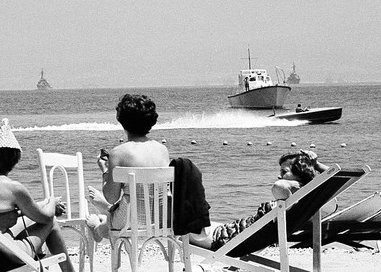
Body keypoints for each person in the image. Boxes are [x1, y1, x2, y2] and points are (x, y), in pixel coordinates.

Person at [0, 119, 83, 272]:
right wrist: (52, 202)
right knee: (50, 223)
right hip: (5, 257)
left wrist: (41, 206)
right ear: (15, 159)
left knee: (36, 219)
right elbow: (45, 217)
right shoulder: (13, 188)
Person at [186, 149, 325, 249]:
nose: (279, 176)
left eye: (284, 172)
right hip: (230, 231)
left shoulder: (290, 196)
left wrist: (301, 184)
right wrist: (315, 168)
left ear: (299, 173)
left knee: (185, 172)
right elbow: (336, 179)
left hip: (224, 239)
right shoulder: (302, 199)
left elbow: (278, 186)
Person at [84, 93, 172, 248]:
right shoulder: (162, 149)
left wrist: (105, 171)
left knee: (113, 217)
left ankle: (98, 229)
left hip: (129, 220)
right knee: (118, 212)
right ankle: (104, 218)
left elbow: (111, 196)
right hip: (160, 218)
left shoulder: (118, 153)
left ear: (122, 122)